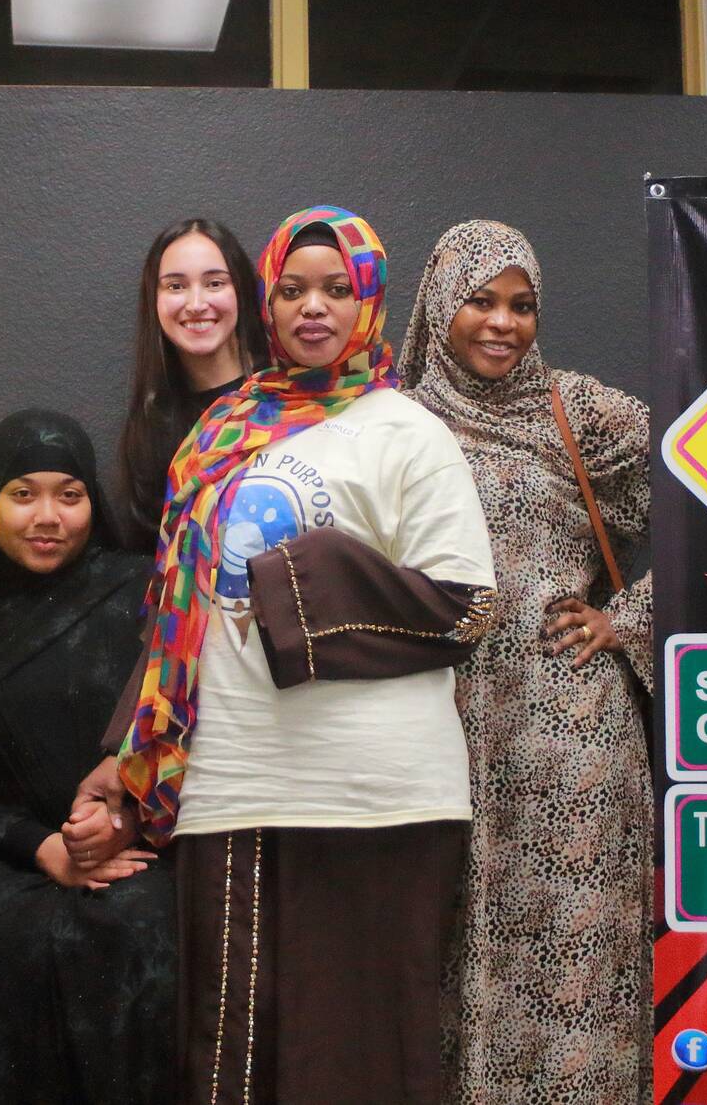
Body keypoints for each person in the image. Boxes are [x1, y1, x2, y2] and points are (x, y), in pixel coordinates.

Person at [87, 205, 497, 1105]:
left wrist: (298, 587)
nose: (314, 307)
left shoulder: (407, 429)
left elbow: (468, 606)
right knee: (232, 1060)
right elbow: (178, 610)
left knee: (364, 1059)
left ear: (369, 300)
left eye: (337, 288)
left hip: (376, 794)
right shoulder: (216, 432)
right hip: (233, 784)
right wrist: (125, 752)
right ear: (266, 303)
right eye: (293, 289)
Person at [397, 220, 656, 1105]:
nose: (503, 323)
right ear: (439, 301)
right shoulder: (395, 422)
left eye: (522, 305)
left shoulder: (575, 409)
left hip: (566, 738)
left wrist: (629, 620)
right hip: (441, 732)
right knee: (451, 958)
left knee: (573, 969)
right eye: (480, 299)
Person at [0, 409, 174, 1105]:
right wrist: (42, 848)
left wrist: (127, 816)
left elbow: (186, 725)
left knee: (136, 925)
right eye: (22, 494)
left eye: (69, 495)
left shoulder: (140, 592)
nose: (47, 517)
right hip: (9, 861)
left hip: (140, 850)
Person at [114, 218, 267, 552]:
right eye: (175, 286)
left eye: (215, 283)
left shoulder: (285, 400)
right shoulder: (151, 425)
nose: (196, 304)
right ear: (154, 300)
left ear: (241, 291)